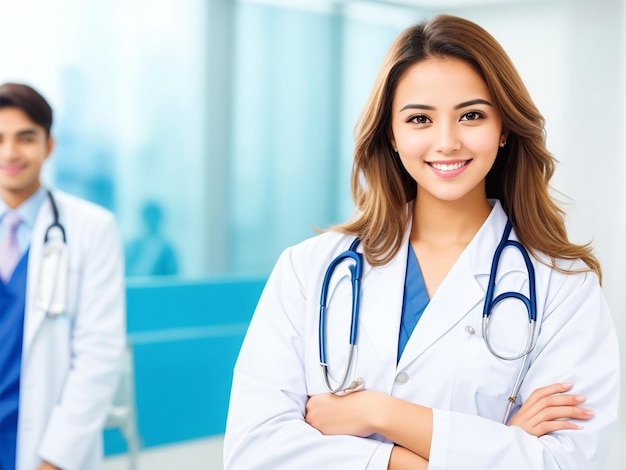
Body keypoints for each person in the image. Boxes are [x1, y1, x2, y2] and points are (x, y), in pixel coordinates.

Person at [223, 14, 620, 469]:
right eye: (419, 119)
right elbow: (253, 452)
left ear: (504, 127)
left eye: (471, 115)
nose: (447, 141)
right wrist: (481, 449)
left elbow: (565, 462)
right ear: (391, 133)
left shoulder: (562, 285)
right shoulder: (309, 269)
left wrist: (380, 413)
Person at [0, 82, 126, 470]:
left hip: (43, 442)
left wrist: (56, 459)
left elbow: (99, 354)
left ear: (48, 146)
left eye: (25, 138)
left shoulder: (92, 228)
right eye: (0, 138)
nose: (10, 152)